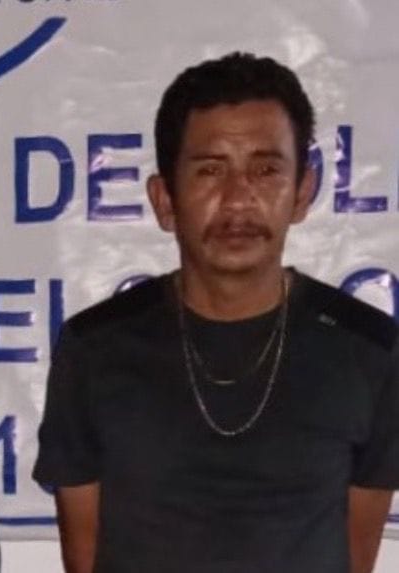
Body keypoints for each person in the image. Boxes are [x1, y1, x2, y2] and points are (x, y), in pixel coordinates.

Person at [33, 52, 399, 573]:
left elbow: (354, 557)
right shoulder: (94, 349)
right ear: (165, 199)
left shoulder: (369, 350)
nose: (238, 199)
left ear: (302, 192)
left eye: (266, 170)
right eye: (210, 170)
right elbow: (84, 557)